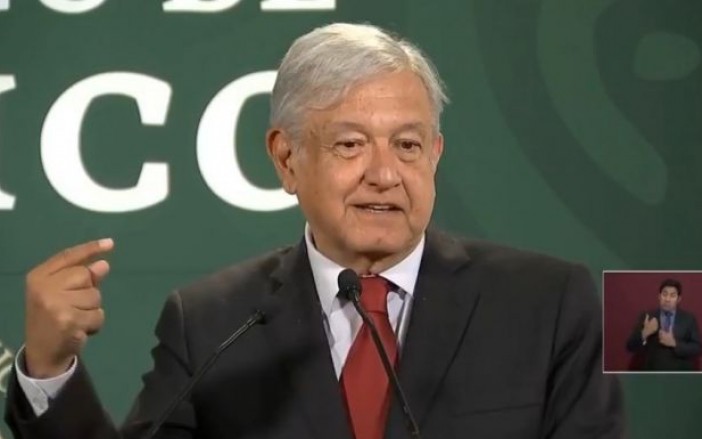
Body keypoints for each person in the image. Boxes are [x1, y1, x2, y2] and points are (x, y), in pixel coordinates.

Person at [5, 23, 623, 439]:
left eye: (408, 145)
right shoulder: (213, 324)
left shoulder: (546, 304)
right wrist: (51, 367)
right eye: (351, 144)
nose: (385, 174)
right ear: (286, 158)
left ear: (435, 154)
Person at [626, 278, 701, 371]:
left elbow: (697, 348)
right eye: (664, 294)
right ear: (659, 296)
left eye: (672, 295)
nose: (667, 299)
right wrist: (645, 333)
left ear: (679, 299)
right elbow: (630, 346)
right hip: (653, 372)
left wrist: (674, 344)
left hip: (680, 373)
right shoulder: (647, 317)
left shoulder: (688, 319)